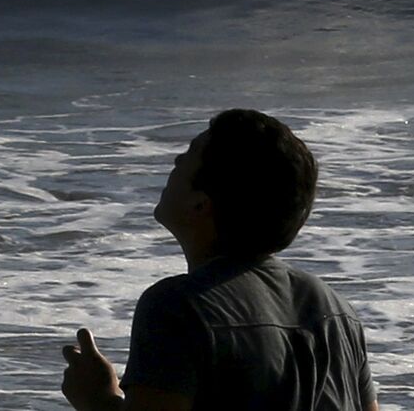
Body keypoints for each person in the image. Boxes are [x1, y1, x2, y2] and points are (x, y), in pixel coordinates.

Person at [61, 109, 378, 411]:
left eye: (191, 152)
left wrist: (99, 400)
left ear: (202, 204)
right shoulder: (337, 312)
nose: (177, 159)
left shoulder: (177, 307)